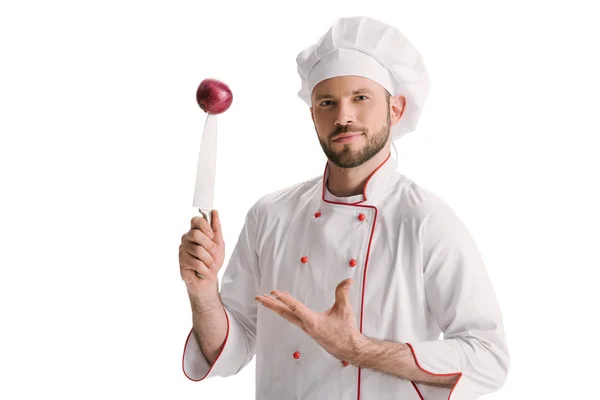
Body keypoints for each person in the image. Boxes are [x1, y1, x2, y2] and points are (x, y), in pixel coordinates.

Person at [178, 16, 510, 399]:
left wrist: (356, 350)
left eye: (361, 98)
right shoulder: (269, 215)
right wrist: (202, 291)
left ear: (396, 109)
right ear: (313, 115)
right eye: (327, 102)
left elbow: (488, 358)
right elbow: (232, 348)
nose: (343, 116)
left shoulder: (426, 220)